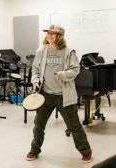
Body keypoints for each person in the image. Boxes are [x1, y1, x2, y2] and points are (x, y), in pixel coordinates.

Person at [26, 25, 93, 163]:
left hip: (64, 95)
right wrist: (35, 80)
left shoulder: (69, 52)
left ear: (60, 36)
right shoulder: (41, 51)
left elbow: (75, 70)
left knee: (74, 126)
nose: (48, 36)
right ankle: (34, 150)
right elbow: (35, 70)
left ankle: (86, 151)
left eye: (52, 34)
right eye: (47, 33)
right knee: (38, 124)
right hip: (46, 94)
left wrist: (63, 74)